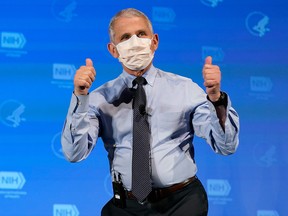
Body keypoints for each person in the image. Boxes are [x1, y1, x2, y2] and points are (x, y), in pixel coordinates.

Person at [61, 8, 240, 216]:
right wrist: (81, 97)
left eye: (141, 34)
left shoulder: (185, 89)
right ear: (113, 50)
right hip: (126, 206)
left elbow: (225, 145)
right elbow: (74, 153)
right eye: (125, 37)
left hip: (182, 202)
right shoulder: (99, 99)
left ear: (154, 41)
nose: (134, 42)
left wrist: (216, 99)